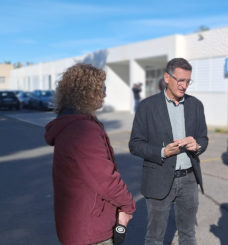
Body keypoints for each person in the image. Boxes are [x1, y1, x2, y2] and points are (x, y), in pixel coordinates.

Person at [44, 63, 135, 245]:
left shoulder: (70, 124)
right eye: (102, 89)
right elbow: (105, 179)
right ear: (88, 92)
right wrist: (128, 205)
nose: (105, 94)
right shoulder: (82, 128)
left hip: (75, 224)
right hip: (90, 229)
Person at [129, 58, 208, 245]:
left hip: (189, 179)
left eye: (188, 81)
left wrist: (197, 146)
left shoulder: (196, 105)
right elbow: (135, 144)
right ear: (167, 77)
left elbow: (204, 139)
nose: (184, 86)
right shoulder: (147, 106)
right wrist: (163, 151)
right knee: (155, 237)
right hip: (159, 176)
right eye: (180, 80)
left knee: (188, 234)